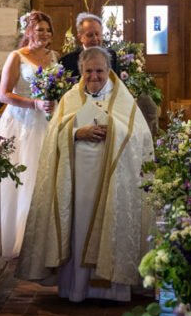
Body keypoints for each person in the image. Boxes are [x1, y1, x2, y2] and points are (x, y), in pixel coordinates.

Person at [17, 46, 154, 302]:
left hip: (112, 179)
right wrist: (76, 133)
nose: (94, 76)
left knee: (109, 225)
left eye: (100, 71)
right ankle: (77, 288)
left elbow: (141, 137)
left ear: (109, 70)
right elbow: (53, 137)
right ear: (81, 70)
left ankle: (111, 290)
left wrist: (113, 128)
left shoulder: (123, 99)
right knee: (78, 228)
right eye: (89, 71)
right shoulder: (70, 98)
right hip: (76, 180)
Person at [0, 11, 58, 258]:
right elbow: (3, 95)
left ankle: (45, 237)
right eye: (39, 29)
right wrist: (34, 104)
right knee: (24, 177)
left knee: (46, 177)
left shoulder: (55, 58)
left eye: (47, 29)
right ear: (28, 32)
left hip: (47, 121)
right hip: (22, 123)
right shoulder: (17, 57)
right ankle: (21, 236)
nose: (43, 34)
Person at [59, 12, 119, 77]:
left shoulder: (111, 56)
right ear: (80, 37)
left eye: (97, 34)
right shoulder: (68, 61)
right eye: (90, 35)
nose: (95, 38)